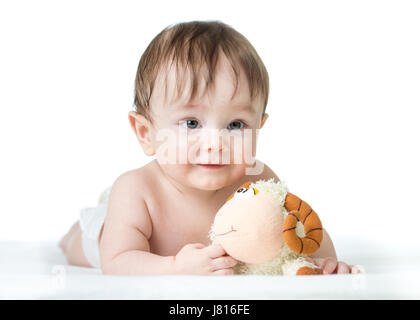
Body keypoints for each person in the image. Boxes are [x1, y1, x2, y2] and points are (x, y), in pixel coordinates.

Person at [60, 20, 360, 275]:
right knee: (84, 244)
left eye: (235, 125)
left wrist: (323, 262)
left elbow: (303, 229)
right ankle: (73, 233)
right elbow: (117, 262)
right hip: (112, 230)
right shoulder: (137, 189)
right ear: (145, 133)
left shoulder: (257, 183)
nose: (216, 143)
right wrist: (176, 267)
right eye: (191, 123)